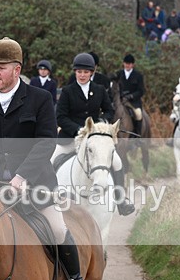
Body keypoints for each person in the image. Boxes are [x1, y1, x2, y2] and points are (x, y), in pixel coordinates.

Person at [0, 37, 86, 280]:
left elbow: (46, 142)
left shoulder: (40, 99)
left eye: (0, 67)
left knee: (56, 229)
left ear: (17, 69)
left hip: (35, 184)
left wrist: (21, 177)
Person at [56, 52, 135, 216]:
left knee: (117, 162)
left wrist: (100, 124)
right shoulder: (68, 91)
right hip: (71, 137)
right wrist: (79, 130)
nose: (82, 75)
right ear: (75, 72)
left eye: (86, 72)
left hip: (96, 138)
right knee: (51, 160)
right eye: (79, 72)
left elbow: (109, 110)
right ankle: (45, 200)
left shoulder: (99, 90)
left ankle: (121, 200)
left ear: (92, 72)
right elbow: (60, 116)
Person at [116, 54, 145, 135]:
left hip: (133, 102)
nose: (127, 65)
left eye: (129, 64)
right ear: (123, 63)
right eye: (126, 63)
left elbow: (141, 91)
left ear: (133, 65)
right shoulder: (118, 74)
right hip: (120, 100)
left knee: (138, 114)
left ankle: (137, 134)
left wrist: (131, 96)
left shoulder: (138, 75)